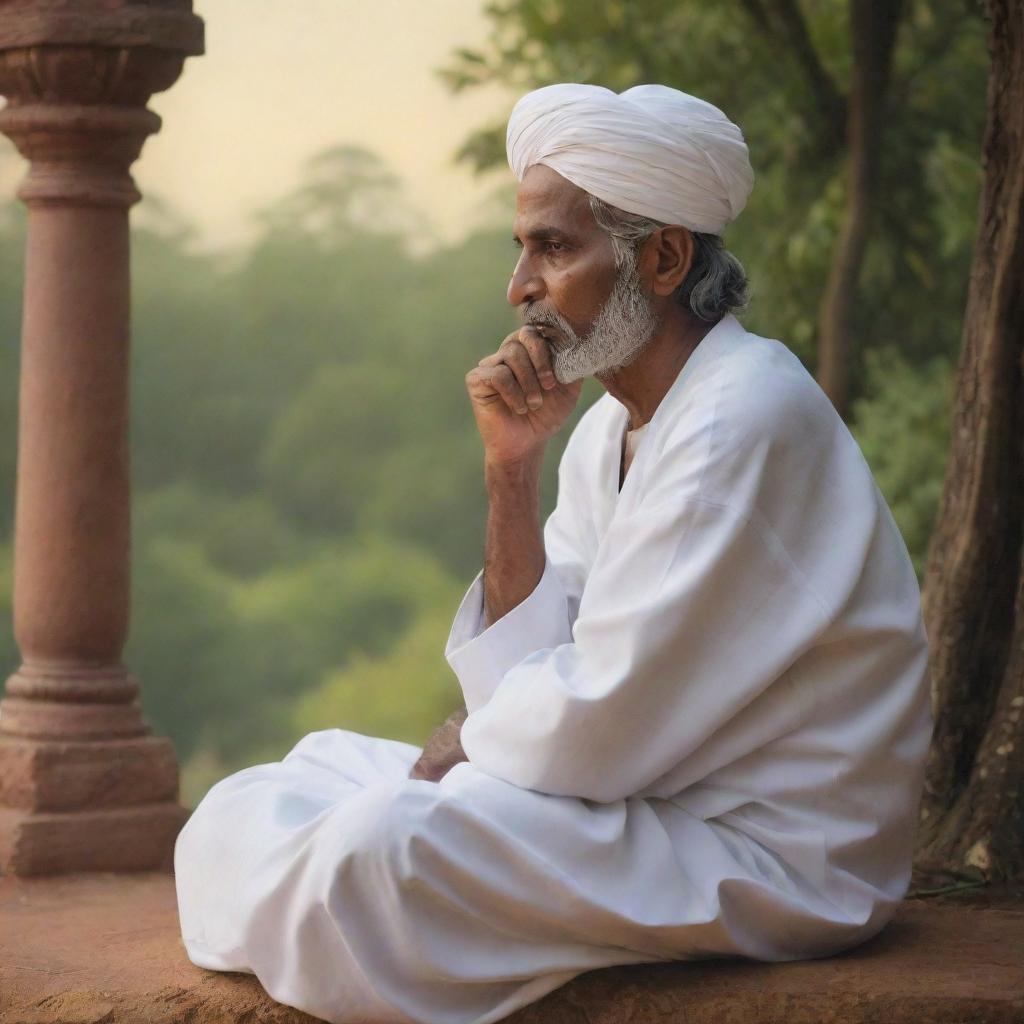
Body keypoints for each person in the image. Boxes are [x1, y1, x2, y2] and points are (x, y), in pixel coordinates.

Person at [174, 83, 932, 1024]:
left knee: (374, 848)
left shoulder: (743, 416)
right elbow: (542, 669)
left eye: (556, 247)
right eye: (522, 247)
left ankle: (292, 913)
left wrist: (470, 746)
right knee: (277, 783)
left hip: (770, 851)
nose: (520, 286)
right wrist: (510, 472)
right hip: (638, 792)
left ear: (661, 258)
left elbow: (599, 724)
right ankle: (295, 901)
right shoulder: (610, 425)